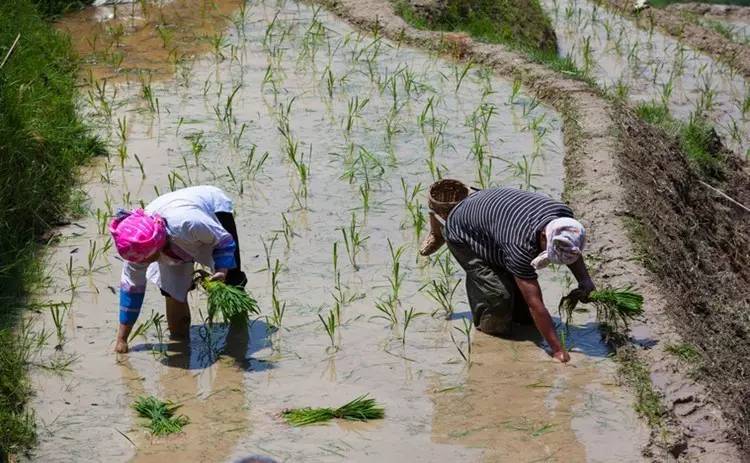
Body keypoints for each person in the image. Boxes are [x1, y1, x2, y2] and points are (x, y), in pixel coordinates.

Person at [442, 186, 595, 363]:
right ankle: (484, 329)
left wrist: (584, 280)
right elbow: (535, 304)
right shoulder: (520, 245)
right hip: (464, 231)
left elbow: (570, 247)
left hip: (494, 217)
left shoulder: (564, 218)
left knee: (525, 319)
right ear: (544, 236)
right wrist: (558, 350)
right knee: (498, 303)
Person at [109, 185, 247, 353]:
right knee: (172, 291)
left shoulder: (189, 224)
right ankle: (181, 342)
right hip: (168, 230)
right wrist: (121, 339)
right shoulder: (134, 245)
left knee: (232, 282)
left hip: (212, 209)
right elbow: (131, 290)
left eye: (147, 259)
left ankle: (240, 338)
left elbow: (224, 242)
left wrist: (221, 271)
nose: (143, 263)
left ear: (158, 246)